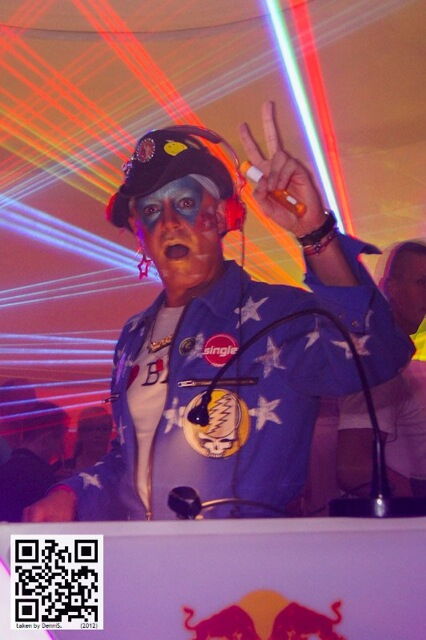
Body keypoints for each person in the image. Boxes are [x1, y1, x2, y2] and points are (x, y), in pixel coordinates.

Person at [23, 102, 412, 522]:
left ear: (225, 215)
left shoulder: (279, 316)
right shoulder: (135, 334)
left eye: (185, 202)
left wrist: (314, 232)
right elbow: (129, 459)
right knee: (30, 559)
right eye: (151, 210)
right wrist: (72, 493)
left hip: (243, 558)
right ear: (139, 234)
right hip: (145, 552)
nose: (169, 222)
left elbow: (378, 352)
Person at [337, 240, 426, 497]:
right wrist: (412, 500)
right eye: (422, 282)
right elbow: (353, 469)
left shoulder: (402, 364)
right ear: (392, 288)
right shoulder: (381, 364)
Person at [0, 401, 68, 521]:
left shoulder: (5, 470)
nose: (63, 446)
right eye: (62, 437)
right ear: (47, 438)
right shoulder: (42, 478)